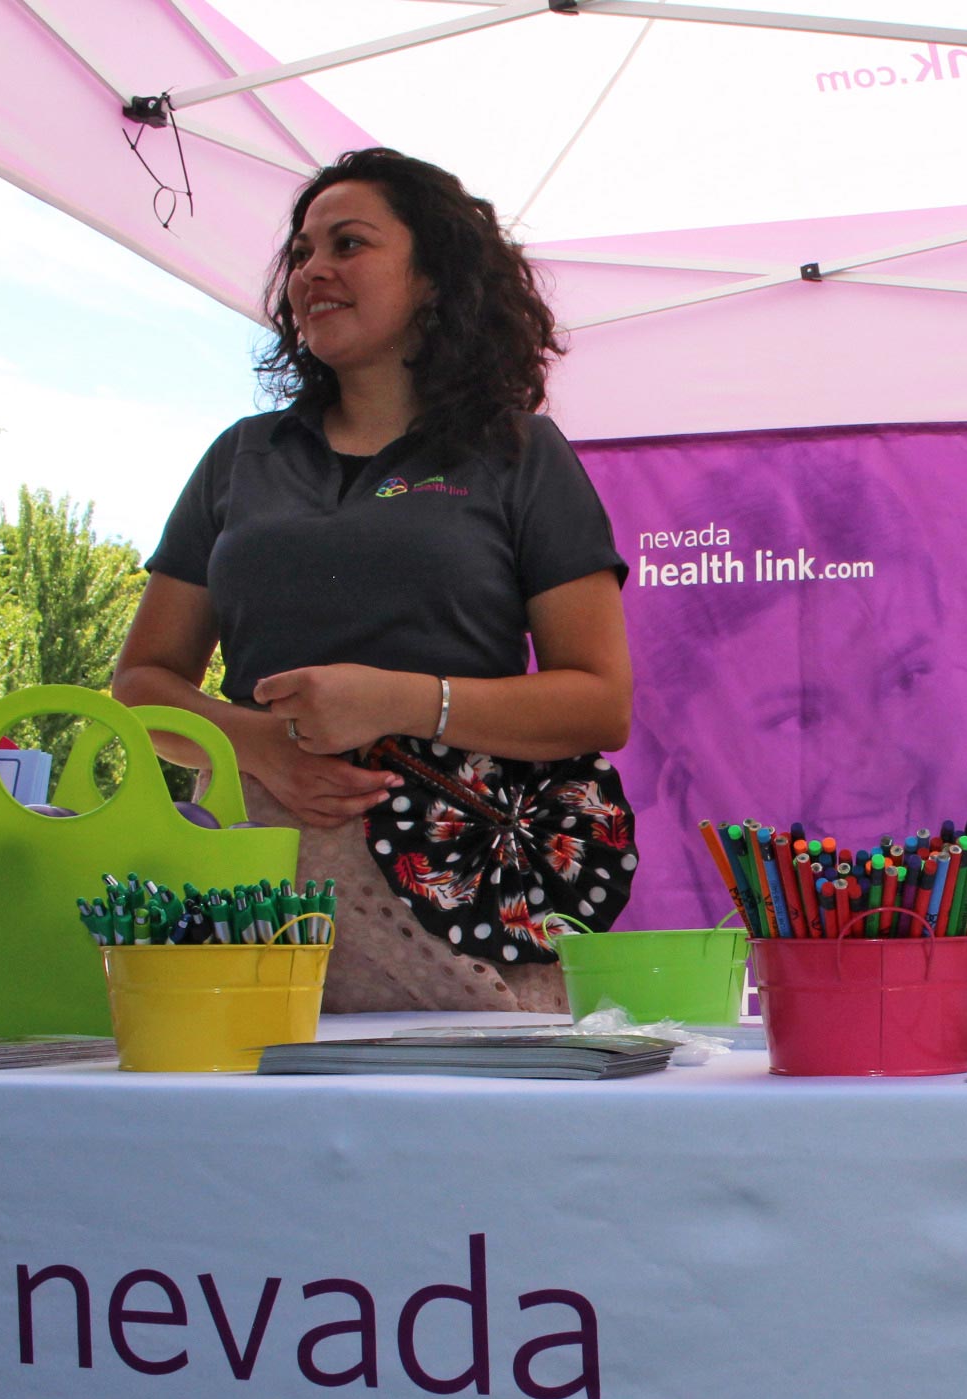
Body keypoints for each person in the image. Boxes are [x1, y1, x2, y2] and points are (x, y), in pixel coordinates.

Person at [115, 148, 633, 1013]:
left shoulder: (519, 453)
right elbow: (140, 686)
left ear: (435, 278)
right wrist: (257, 745)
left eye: (348, 244)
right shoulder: (240, 457)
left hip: (462, 884)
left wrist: (402, 701)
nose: (313, 270)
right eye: (303, 252)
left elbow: (599, 703)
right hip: (254, 882)